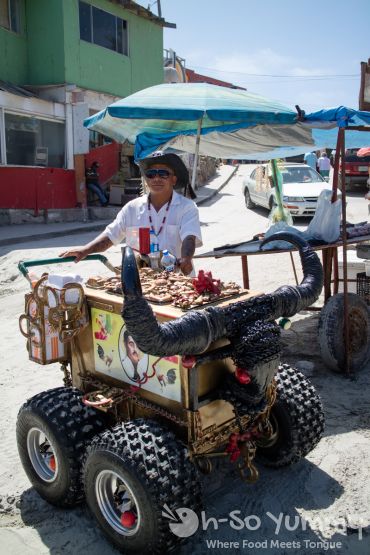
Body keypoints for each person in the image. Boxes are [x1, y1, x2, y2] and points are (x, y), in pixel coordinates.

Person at [60, 152, 202, 275]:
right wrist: (85, 250)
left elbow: (189, 237)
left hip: (177, 279)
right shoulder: (132, 208)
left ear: (173, 179)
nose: (156, 178)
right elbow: (111, 235)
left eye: (163, 173)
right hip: (141, 282)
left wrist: (186, 258)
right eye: (151, 174)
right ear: (146, 179)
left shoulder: (187, 207)